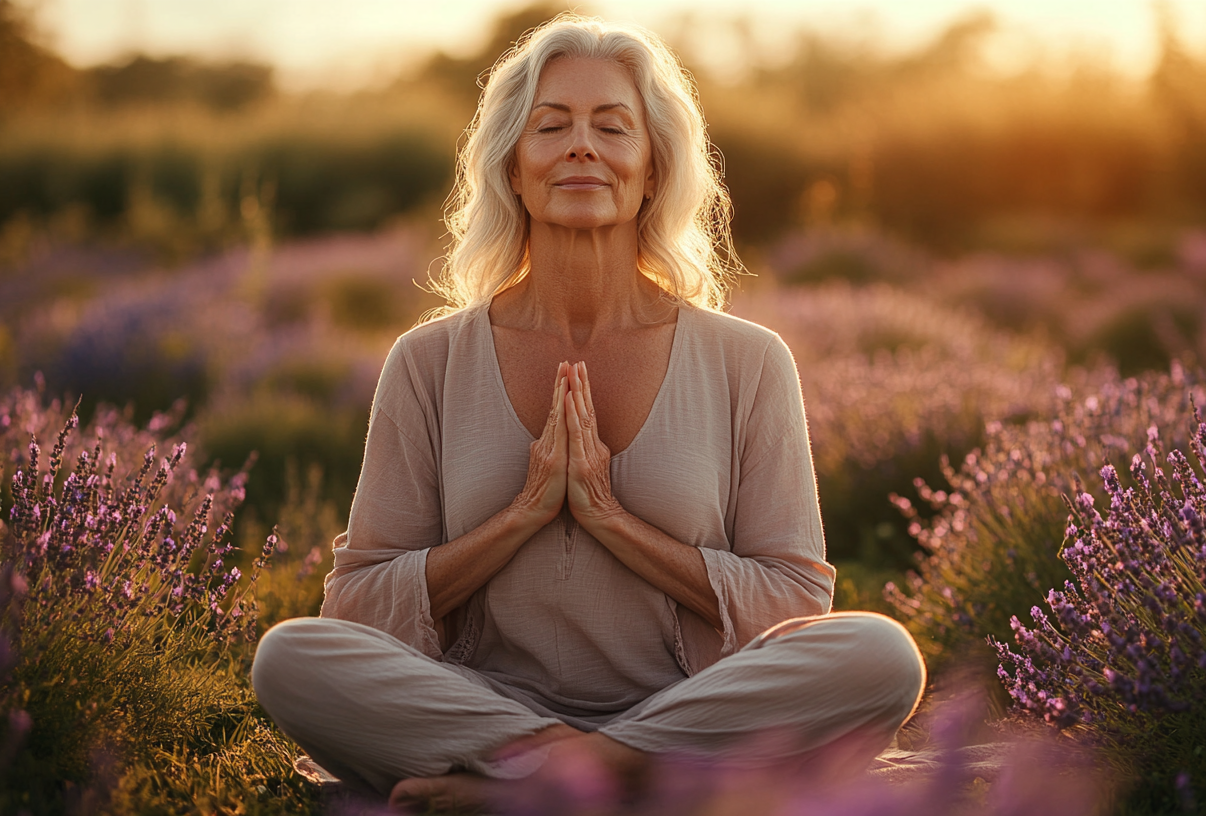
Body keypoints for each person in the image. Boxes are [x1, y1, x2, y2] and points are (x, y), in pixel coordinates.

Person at [250, 14, 925, 813]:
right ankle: (582, 770)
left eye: (612, 126)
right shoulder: (426, 363)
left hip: (683, 710)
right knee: (290, 657)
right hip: (485, 710)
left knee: (881, 654)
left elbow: (792, 602)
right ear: (512, 166)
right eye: (551, 126)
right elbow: (359, 604)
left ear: (650, 169)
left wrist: (610, 519)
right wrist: (522, 516)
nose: (581, 146)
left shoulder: (749, 360)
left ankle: (559, 781)